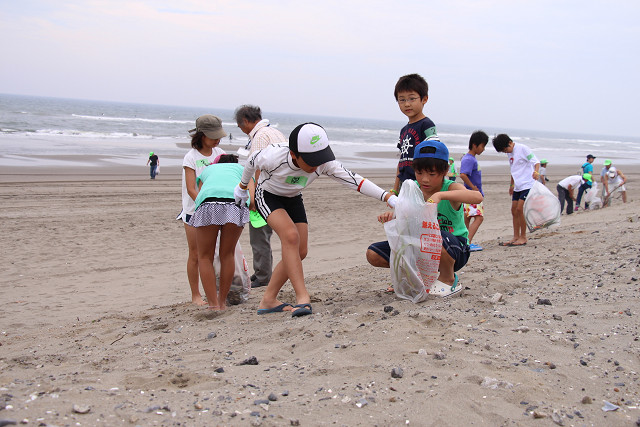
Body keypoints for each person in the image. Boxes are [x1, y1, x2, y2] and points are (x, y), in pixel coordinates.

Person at [234, 123, 398, 317]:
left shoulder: (323, 163)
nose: (316, 165)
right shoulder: (273, 156)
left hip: (294, 197)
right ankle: (303, 298)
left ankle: (268, 300)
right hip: (268, 194)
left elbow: (355, 181)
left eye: (320, 158)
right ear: (294, 154)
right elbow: (251, 161)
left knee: (300, 251)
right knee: (290, 237)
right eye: (311, 160)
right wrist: (242, 187)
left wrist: (388, 197)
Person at [367, 139, 483, 297]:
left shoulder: (450, 188)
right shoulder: (413, 188)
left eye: (432, 174)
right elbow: (403, 215)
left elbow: (477, 197)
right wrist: (392, 215)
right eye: (419, 173)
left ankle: (449, 279)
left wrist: (440, 195)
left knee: (433, 236)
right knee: (373, 254)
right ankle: (413, 278)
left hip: (454, 250)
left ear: (445, 170)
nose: (425, 179)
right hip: (421, 248)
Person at [234, 105, 287, 289]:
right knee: (277, 235)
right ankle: (265, 273)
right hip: (283, 189)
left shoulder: (259, 137)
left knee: (259, 236)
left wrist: (254, 195)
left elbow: (257, 166)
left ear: (246, 121)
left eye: (240, 126)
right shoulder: (275, 132)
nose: (241, 130)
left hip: (267, 190)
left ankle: (263, 276)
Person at [176, 115, 227, 306]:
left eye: (218, 136)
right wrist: (203, 205)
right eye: (213, 136)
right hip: (194, 211)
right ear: (201, 135)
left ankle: (215, 291)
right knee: (196, 254)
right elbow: (191, 189)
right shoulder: (191, 157)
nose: (217, 140)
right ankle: (195, 294)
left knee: (215, 252)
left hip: (217, 209)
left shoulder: (220, 154)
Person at [189, 154, 249, 310]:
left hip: (208, 203)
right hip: (234, 203)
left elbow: (201, 193)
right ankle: (222, 302)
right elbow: (250, 194)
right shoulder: (242, 169)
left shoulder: (208, 170)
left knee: (204, 256)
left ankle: (213, 304)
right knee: (227, 254)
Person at [391, 73, 438, 196]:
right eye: (402, 100)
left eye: (412, 98)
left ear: (424, 99)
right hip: (404, 185)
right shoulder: (403, 130)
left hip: (421, 186)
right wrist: (395, 190)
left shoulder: (427, 125)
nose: (407, 104)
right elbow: (401, 162)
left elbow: (435, 157)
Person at [492, 134, 540, 247]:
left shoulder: (523, 148)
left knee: (519, 209)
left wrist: (536, 172)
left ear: (510, 142)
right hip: (518, 185)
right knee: (513, 210)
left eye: (505, 149)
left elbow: (536, 162)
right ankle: (516, 236)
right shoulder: (510, 153)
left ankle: (523, 237)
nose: (506, 152)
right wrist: (512, 184)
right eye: (503, 151)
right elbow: (513, 169)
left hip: (527, 184)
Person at [459, 131, 488, 251]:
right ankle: (467, 243)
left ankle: (464, 242)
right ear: (475, 145)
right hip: (472, 194)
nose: (484, 149)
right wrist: (473, 187)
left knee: (467, 218)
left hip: (470, 193)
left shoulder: (471, 159)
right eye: (483, 146)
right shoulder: (469, 159)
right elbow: (463, 174)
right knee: (479, 217)